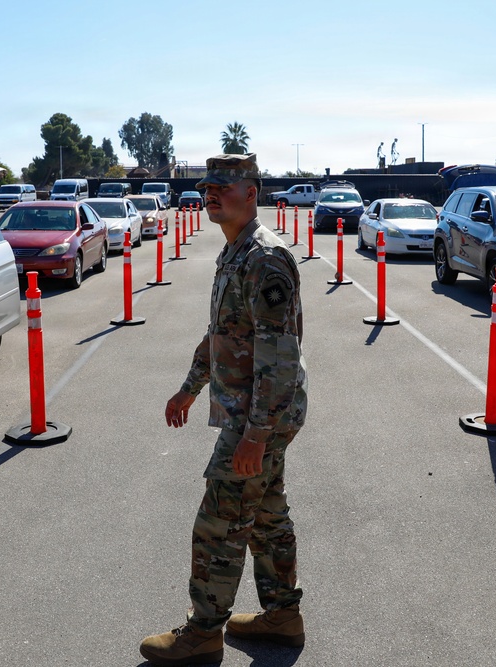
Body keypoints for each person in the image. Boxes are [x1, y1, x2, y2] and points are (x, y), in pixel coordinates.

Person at [139, 154, 308, 665]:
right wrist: (190, 387)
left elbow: (279, 355)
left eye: (224, 186)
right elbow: (225, 334)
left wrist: (256, 433)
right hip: (255, 412)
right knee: (265, 516)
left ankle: (204, 630)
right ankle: (282, 615)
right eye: (208, 186)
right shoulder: (236, 253)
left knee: (220, 523)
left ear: (251, 192)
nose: (211, 193)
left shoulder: (265, 258)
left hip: (261, 416)